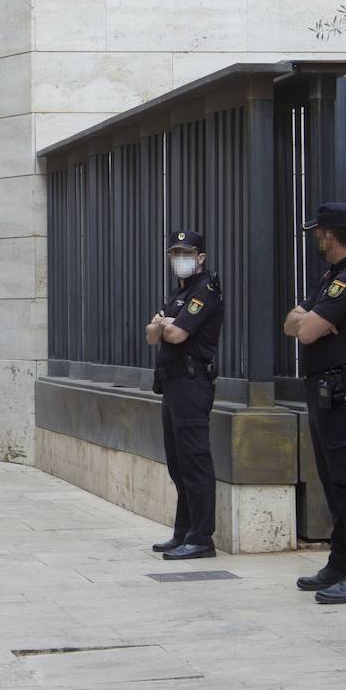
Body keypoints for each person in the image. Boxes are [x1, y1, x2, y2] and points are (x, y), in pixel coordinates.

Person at [282, 203, 346, 605]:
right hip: (325, 390)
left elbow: (303, 332)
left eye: (319, 232)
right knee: (333, 481)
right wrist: (308, 318)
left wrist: (308, 319)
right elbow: (294, 322)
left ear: (331, 234)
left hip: (344, 392)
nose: (316, 239)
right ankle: (340, 562)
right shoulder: (333, 276)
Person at [145, 230, 224, 561]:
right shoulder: (179, 293)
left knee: (195, 462)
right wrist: (162, 326)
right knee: (178, 463)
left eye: (186, 252)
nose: (179, 258)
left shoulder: (205, 290)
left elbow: (174, 334)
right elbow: (152, 335)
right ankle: (183, 532)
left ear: (201, 257)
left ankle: (202, 537)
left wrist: (164, 326)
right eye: (175, 253)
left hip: (192, 384)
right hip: (173, 385)